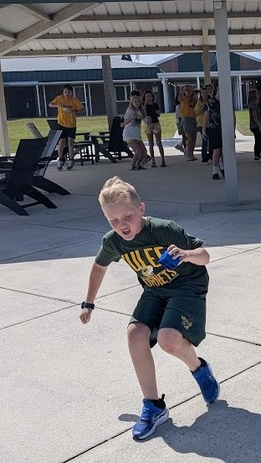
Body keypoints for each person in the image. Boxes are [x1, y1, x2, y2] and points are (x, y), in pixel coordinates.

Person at [80, 176, 219, 441]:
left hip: (187, 286)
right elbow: (99, 266)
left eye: (127, 216)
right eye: (113, 220)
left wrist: (186, 255)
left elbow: (205, 256)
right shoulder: (114, 241)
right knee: (135, 334)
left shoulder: (164, 230)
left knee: (169, 340)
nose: (122, 225)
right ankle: (153, 406)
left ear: (141, 209)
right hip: (154, 289)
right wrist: (89, 303)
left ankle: (199, 369)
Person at [48, 85, 84, 170]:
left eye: (69, 92)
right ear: (63, 92)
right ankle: (60, 159)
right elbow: (50, 104)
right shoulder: (59, 99)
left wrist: (74, 110)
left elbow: (82, 109)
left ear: (72, 92)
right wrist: (58, 106)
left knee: (70, 142)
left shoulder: (74, 100)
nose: (67, 94)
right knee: (61, 142)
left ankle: (71, 160)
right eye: (65, 92)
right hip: (61, 123)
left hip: (71, 124)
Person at [122, 91, 150, 170]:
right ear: (132, 102)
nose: (137, 103)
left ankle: (138, 165)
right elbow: (126, 120)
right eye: (135, 101)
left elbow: (145, 120)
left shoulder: (140, 111)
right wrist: (125, 123)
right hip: (129, 134)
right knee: (138, 150)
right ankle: (132, 165)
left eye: (138, 101)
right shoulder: (130, 110)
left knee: (144, 152)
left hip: (136, 134)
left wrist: (148, 120)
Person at [203, 83, 224, 179]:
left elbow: (232, 115)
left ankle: (223, 166)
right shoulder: (211, 101)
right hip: (214, 128)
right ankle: (215, 170)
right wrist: (204, 129)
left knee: (225, 149)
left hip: (225, 128)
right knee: (216, 149)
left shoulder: (227, 100)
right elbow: (206, 116)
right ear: (217, 88)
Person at [142, 90, 166, 167]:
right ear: (145, 98)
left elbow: (158, 114)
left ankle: (163, 160)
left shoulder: (155, 105)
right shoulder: (143, 106)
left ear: (152, 97)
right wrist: (145, 104)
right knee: (151, 143)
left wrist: (156, 112)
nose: (149, 98)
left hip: (156, 123)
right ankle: (153, 161)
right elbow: (143, 114)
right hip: (148, 125)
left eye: (150, 96)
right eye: (147, 97)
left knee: (159, 142)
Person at [178, 85, 200, 160]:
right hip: (187, 119)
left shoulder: (194, 99)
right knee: (189, 138)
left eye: (190, 90)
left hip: (194, 118)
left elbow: (197, 105)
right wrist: (184, 90)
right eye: (188, 90)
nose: (189, 91)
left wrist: (195, 97)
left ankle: (191, 154)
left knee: (194, 137)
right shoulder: (183, 98)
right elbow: (179, 96)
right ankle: (189, 154)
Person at [247, 87, 261, 162]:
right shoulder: (253, 105)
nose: (258, 94)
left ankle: (258, 155)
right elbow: (255, 116)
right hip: (255, 125)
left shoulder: (255, 104)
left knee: (259, 140)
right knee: (259, 140)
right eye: (256, 93)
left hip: (254, 125)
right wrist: (260, 125)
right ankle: (257, 156)